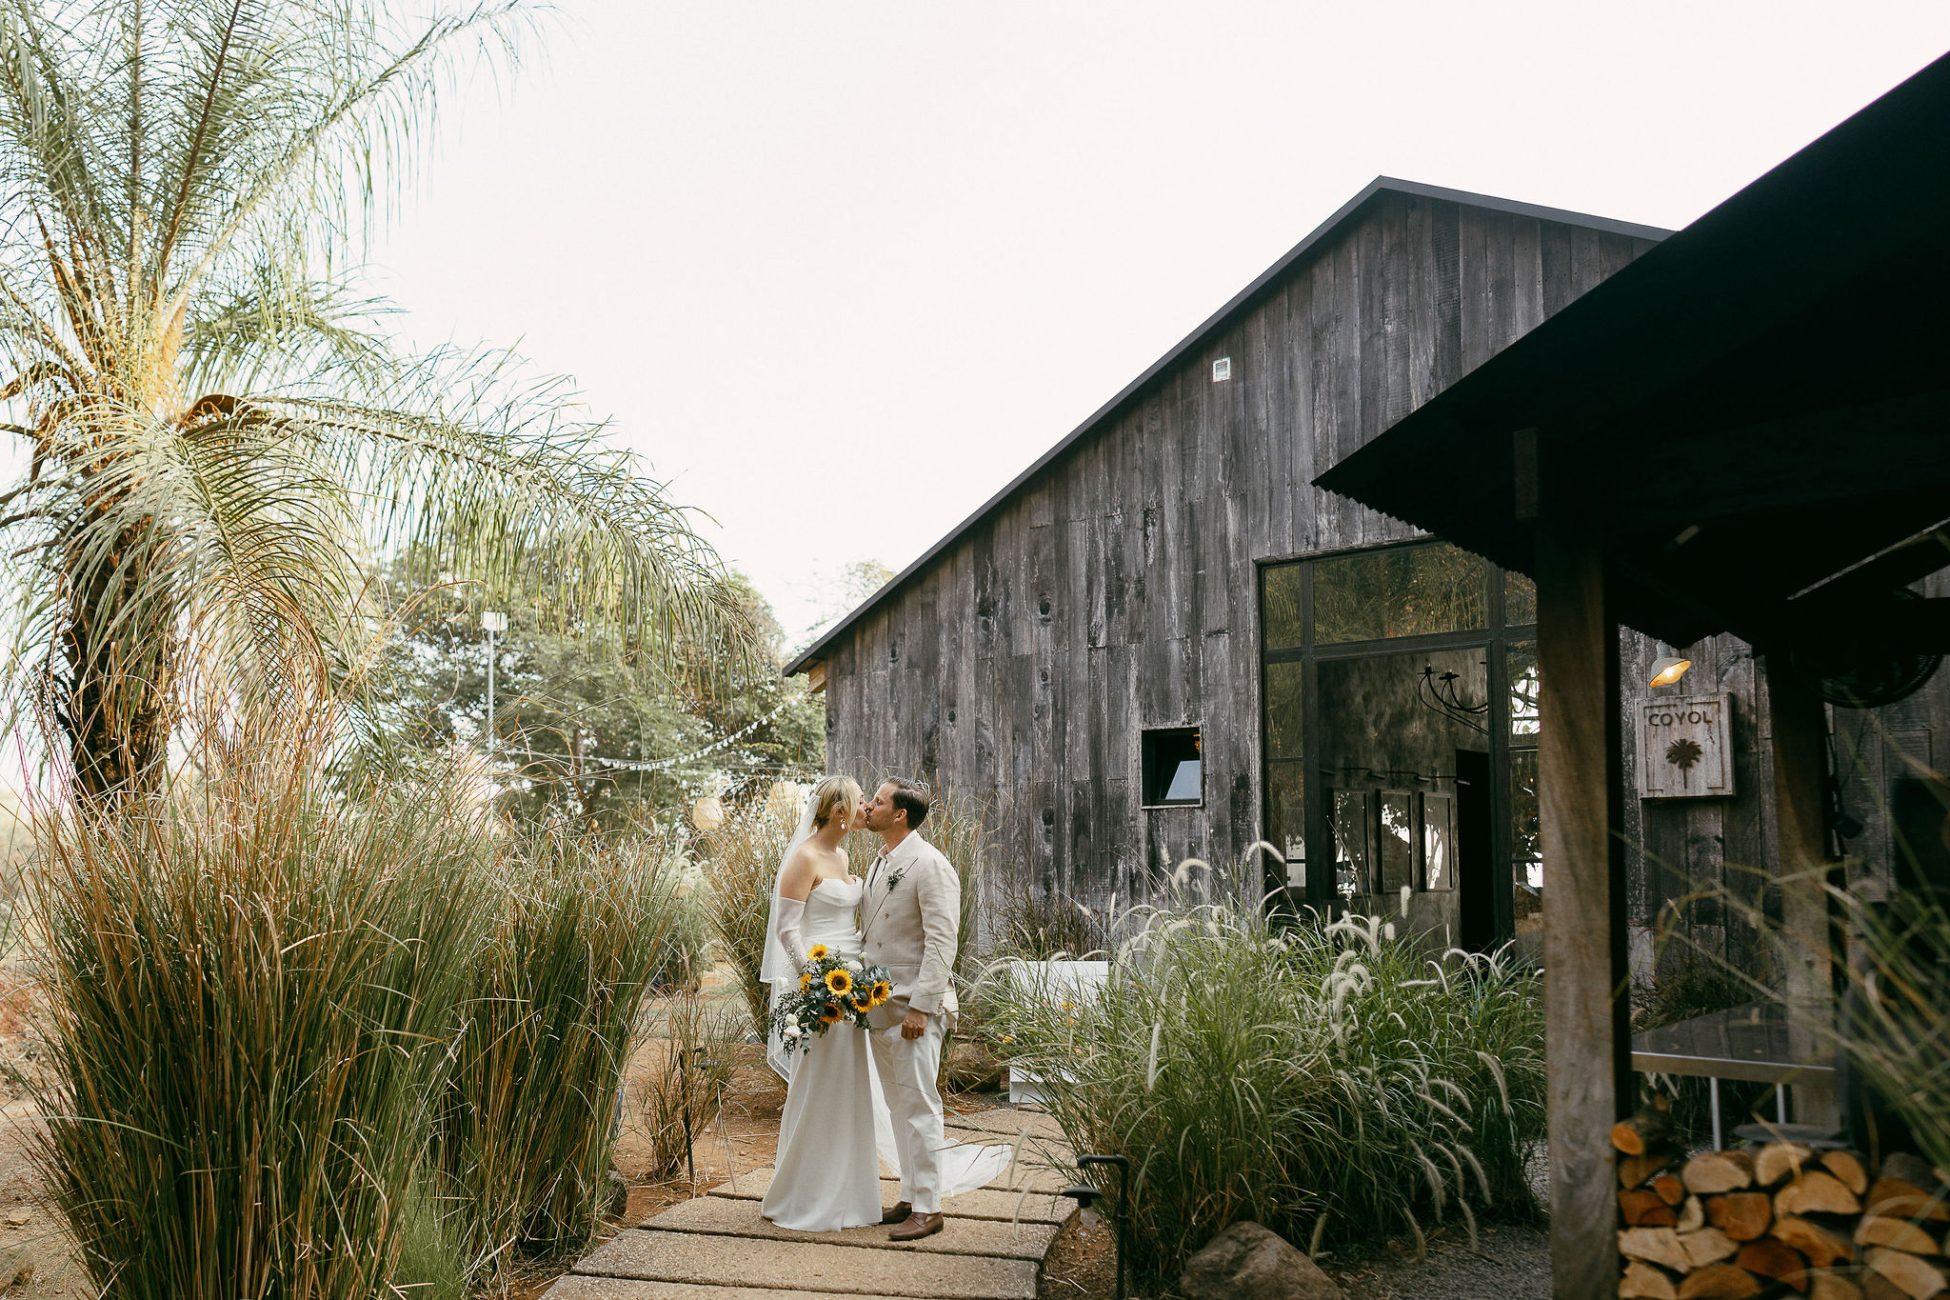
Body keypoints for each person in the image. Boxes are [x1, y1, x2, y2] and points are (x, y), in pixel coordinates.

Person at [758, 776, 879, 1231]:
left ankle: (850, 1194)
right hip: (823, 986)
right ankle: (804, 1193)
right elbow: (788, 930)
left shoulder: (844, 855)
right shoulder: (803, 856)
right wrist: (815, 980)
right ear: (841, 812)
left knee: (850, 1084)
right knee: (820, 1082)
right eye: (859, 801)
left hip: (855, 980)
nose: (866, 806)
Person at [859, 777, 961, 1241]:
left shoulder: (931, 865)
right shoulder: (880, 862)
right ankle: (910, 1193)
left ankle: (930, 1208)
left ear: (899, 814)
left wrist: (922, 1007)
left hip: (915, 1011)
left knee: (920, 1105)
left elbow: (942, 943)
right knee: (898, 1106)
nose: (867, 806)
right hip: (880, 1006)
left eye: (876, 802)